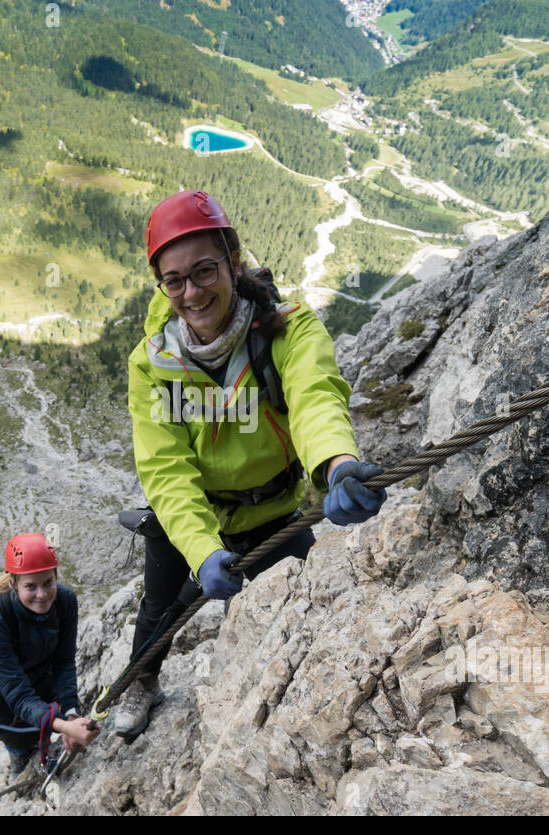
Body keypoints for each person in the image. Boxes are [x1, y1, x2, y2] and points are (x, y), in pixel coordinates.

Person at [114, 189, 387, 738]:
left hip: (276, 513)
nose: (191, 292)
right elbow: (166, 469)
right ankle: (143, 679)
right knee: (159, 610)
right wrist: (202, 548)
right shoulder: (153, 364)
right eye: (174, 280)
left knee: (304, 614)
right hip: (197, 519)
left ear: (233, 262)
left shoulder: (286, 328)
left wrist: (336, 464)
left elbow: (314, 397)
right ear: (162, 286)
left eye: (205, 270)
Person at [0, 533, 100, 779]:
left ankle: (36, 747)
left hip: (40, 678)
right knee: (19, 741)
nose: (42, 594)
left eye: (48, 582)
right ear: (13, 584)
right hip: (2, 698)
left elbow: (64, 661)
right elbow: (18, 697)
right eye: (30, 586)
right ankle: (19, 764)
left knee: (41, 726)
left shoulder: (65, 600)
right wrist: (62, 725)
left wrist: (70, 712)